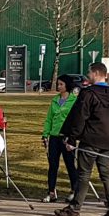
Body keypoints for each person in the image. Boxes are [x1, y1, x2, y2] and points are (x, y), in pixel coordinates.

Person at [55, 62, 109, 216]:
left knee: (83, 174)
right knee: (106, 174)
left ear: (96, 74)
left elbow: (80, 117)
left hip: (90, 139)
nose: (87, 75)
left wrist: (71, 138)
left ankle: (74, 208)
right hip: (107, 140)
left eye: (89, 73)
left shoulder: (88, 93)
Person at [40, 75, 80, 203]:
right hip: (54, 137)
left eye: (61, 84)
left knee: (70, 164)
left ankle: (74, 191)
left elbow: (76, 120)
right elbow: (49, 119)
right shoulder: (55, 100)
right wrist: (45, 134)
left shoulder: (74, 100)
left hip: (67, 138)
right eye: (58, 84)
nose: (59, 86)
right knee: (53, 165)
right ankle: (51, 192)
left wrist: (73, 136)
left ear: (67, 85)